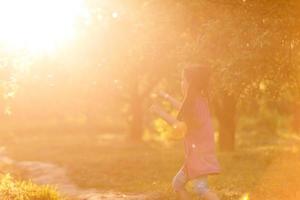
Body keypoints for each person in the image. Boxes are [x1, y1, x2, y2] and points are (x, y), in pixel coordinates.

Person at [151, 66, 220, 200]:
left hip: (199, 155)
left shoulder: (194, 103)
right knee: (177, 183)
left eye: (183, 79)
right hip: (196, 154)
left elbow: (179, 125)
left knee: (201, 189)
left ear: (190, 82)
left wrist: (160, 113)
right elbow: (183, 108)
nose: (181, 82)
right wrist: (166, 96)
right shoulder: (199, 100)